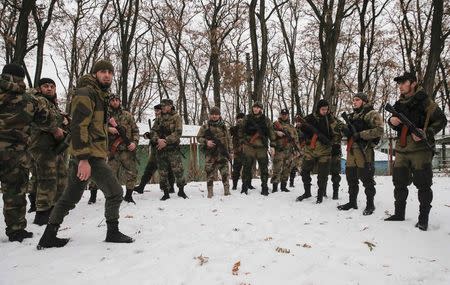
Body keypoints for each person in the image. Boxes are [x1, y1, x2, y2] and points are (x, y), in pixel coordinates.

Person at [38, 59, 134, 249]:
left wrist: (109, 125)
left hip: (90, 154)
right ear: (95, 73)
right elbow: (78, 126)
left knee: (70, 198)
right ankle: (112, 232)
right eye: (103, 71)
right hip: (89, 156)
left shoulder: (100, 95)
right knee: (115, 193)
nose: (107, 75)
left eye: (110, 72)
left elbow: (92, 125)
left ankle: (49, 236)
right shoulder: (86, 93)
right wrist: (83, 159)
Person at [1, 63, 57, 242]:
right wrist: (57, 129)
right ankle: (16, 230)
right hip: (15, 155)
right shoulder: (30, 100)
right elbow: (47, 122)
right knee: (15, 191)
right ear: (23, 78)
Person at [384, 72, 447, 231]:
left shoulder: (425, 101)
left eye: (403, 82)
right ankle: (399, 214)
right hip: (402, 148)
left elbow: (441, 120)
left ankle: (423, 219)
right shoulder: (399, 103)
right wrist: (391, 121)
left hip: (420, 149)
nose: (400, 86)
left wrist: (427, 133)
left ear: (413, 83)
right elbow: (393, 122)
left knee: (423, 183)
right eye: (399, 83)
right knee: (399, 182)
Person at [28, 78, 69, 225]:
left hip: (54, 148)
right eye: (46, 86)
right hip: (42, 147)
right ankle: (42, 214)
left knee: (61, 178)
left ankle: (54, 208)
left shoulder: (52, 104)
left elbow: (54, 118)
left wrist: (64, 120)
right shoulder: (38, 100)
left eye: (52, 86)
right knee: (47, 180)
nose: (50, 89)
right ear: (40, 88)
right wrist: (55, 128)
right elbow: (41, 118)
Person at [337, 92, 383, 215]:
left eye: (357, 100)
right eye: (353, 100)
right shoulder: (352, 116)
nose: (354, 102)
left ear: (364, 101)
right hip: (351, 150)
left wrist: (361, 134)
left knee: (367, 178)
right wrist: (345, 131)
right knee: (351, 177)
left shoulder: (372, 114)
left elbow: (379, 130)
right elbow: (346, 134)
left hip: (365, 150)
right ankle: (352, 202)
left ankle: (370, 204)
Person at [296, 99, 340, 204]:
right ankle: (307, 192)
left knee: (322, 175)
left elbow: (337, 133)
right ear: (318, 109)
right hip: (310, 150)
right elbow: (299, 132)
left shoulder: (331, 119)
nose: (325, 111)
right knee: (304, 171)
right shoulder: (309, 118)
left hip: (325, 151)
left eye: (326, 109)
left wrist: (333, 143)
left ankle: (320, 196)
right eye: (323, 109)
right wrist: (301, 128)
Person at [150, 99, 187, 200]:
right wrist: (158, 140)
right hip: (160, 149)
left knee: (178, 170)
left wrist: (165, 141)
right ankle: (166, 193)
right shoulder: (159, 118)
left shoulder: (176, 117)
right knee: (163, 172)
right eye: (162, 106)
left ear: (170, 106)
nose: (163, 108)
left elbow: (178, 132)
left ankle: (181, 191)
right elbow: (153, 131)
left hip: (172, 149)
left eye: (165, 106)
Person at [134, 104, 175, 194]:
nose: (156, 113)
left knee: (168, 169)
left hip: (164, 148)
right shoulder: (157, 121)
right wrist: (149, 135)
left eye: (157, 111)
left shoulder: (167, 120)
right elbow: (154, 133)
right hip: (155, 149)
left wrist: (155, 138)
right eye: (155, 111)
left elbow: (167, 134)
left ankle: (171, 187)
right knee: (149, 168)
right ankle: (141, 187)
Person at [107, 94, 139, 204]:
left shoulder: (127, 115)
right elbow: (96, 128)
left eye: (117, 100)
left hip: (126, 150)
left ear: (120, 101)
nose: (115, 102)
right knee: (110, 175)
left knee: (131, 173)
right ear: (109, 102)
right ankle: (113, 196)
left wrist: (134, 143)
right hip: (112, 150)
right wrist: (108, 129)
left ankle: (129, 196)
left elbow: (135, 130)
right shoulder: (105, 115)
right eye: (112, 100)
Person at [239, 101, 276, 195]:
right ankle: (244, 187)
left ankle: (264, 187)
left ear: (261, 109)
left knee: (264, 168)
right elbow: (241, 131)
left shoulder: (266, 120)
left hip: (261, 147)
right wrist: (243, 141)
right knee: (247, 167)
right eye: (254, 107)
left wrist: (272, 145)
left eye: (258, 107)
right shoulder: (247, 118)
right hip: (249, 146)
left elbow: (271, 132)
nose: (255, 109)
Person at [197, 107, 232, 198]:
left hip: (222, 153)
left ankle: (227, 191)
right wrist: (206, 142)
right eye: (212, 114)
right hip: (210, 154)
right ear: (210, 115)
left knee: (225, 173)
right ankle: (210, 192)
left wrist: (230, 152)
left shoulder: (224, 126)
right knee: (209, 173)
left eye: (216, 114)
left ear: (219, 115)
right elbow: (198, 138)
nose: (214, 116)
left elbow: (228, 139)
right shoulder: (205, 126)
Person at [270, 108, 299, 192]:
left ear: (288, 115)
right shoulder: (276, 124)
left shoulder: (291, 127)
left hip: (289, 151)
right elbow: (270, 133)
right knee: (277, 169)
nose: (284, 116)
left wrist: (297, 150)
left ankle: (283, 186)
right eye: (282, 114)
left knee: (287, 169)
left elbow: (296, 140)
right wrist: (276, 133)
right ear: (280, 115)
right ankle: (275, 187)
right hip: (279, 150)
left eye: (285, 114)